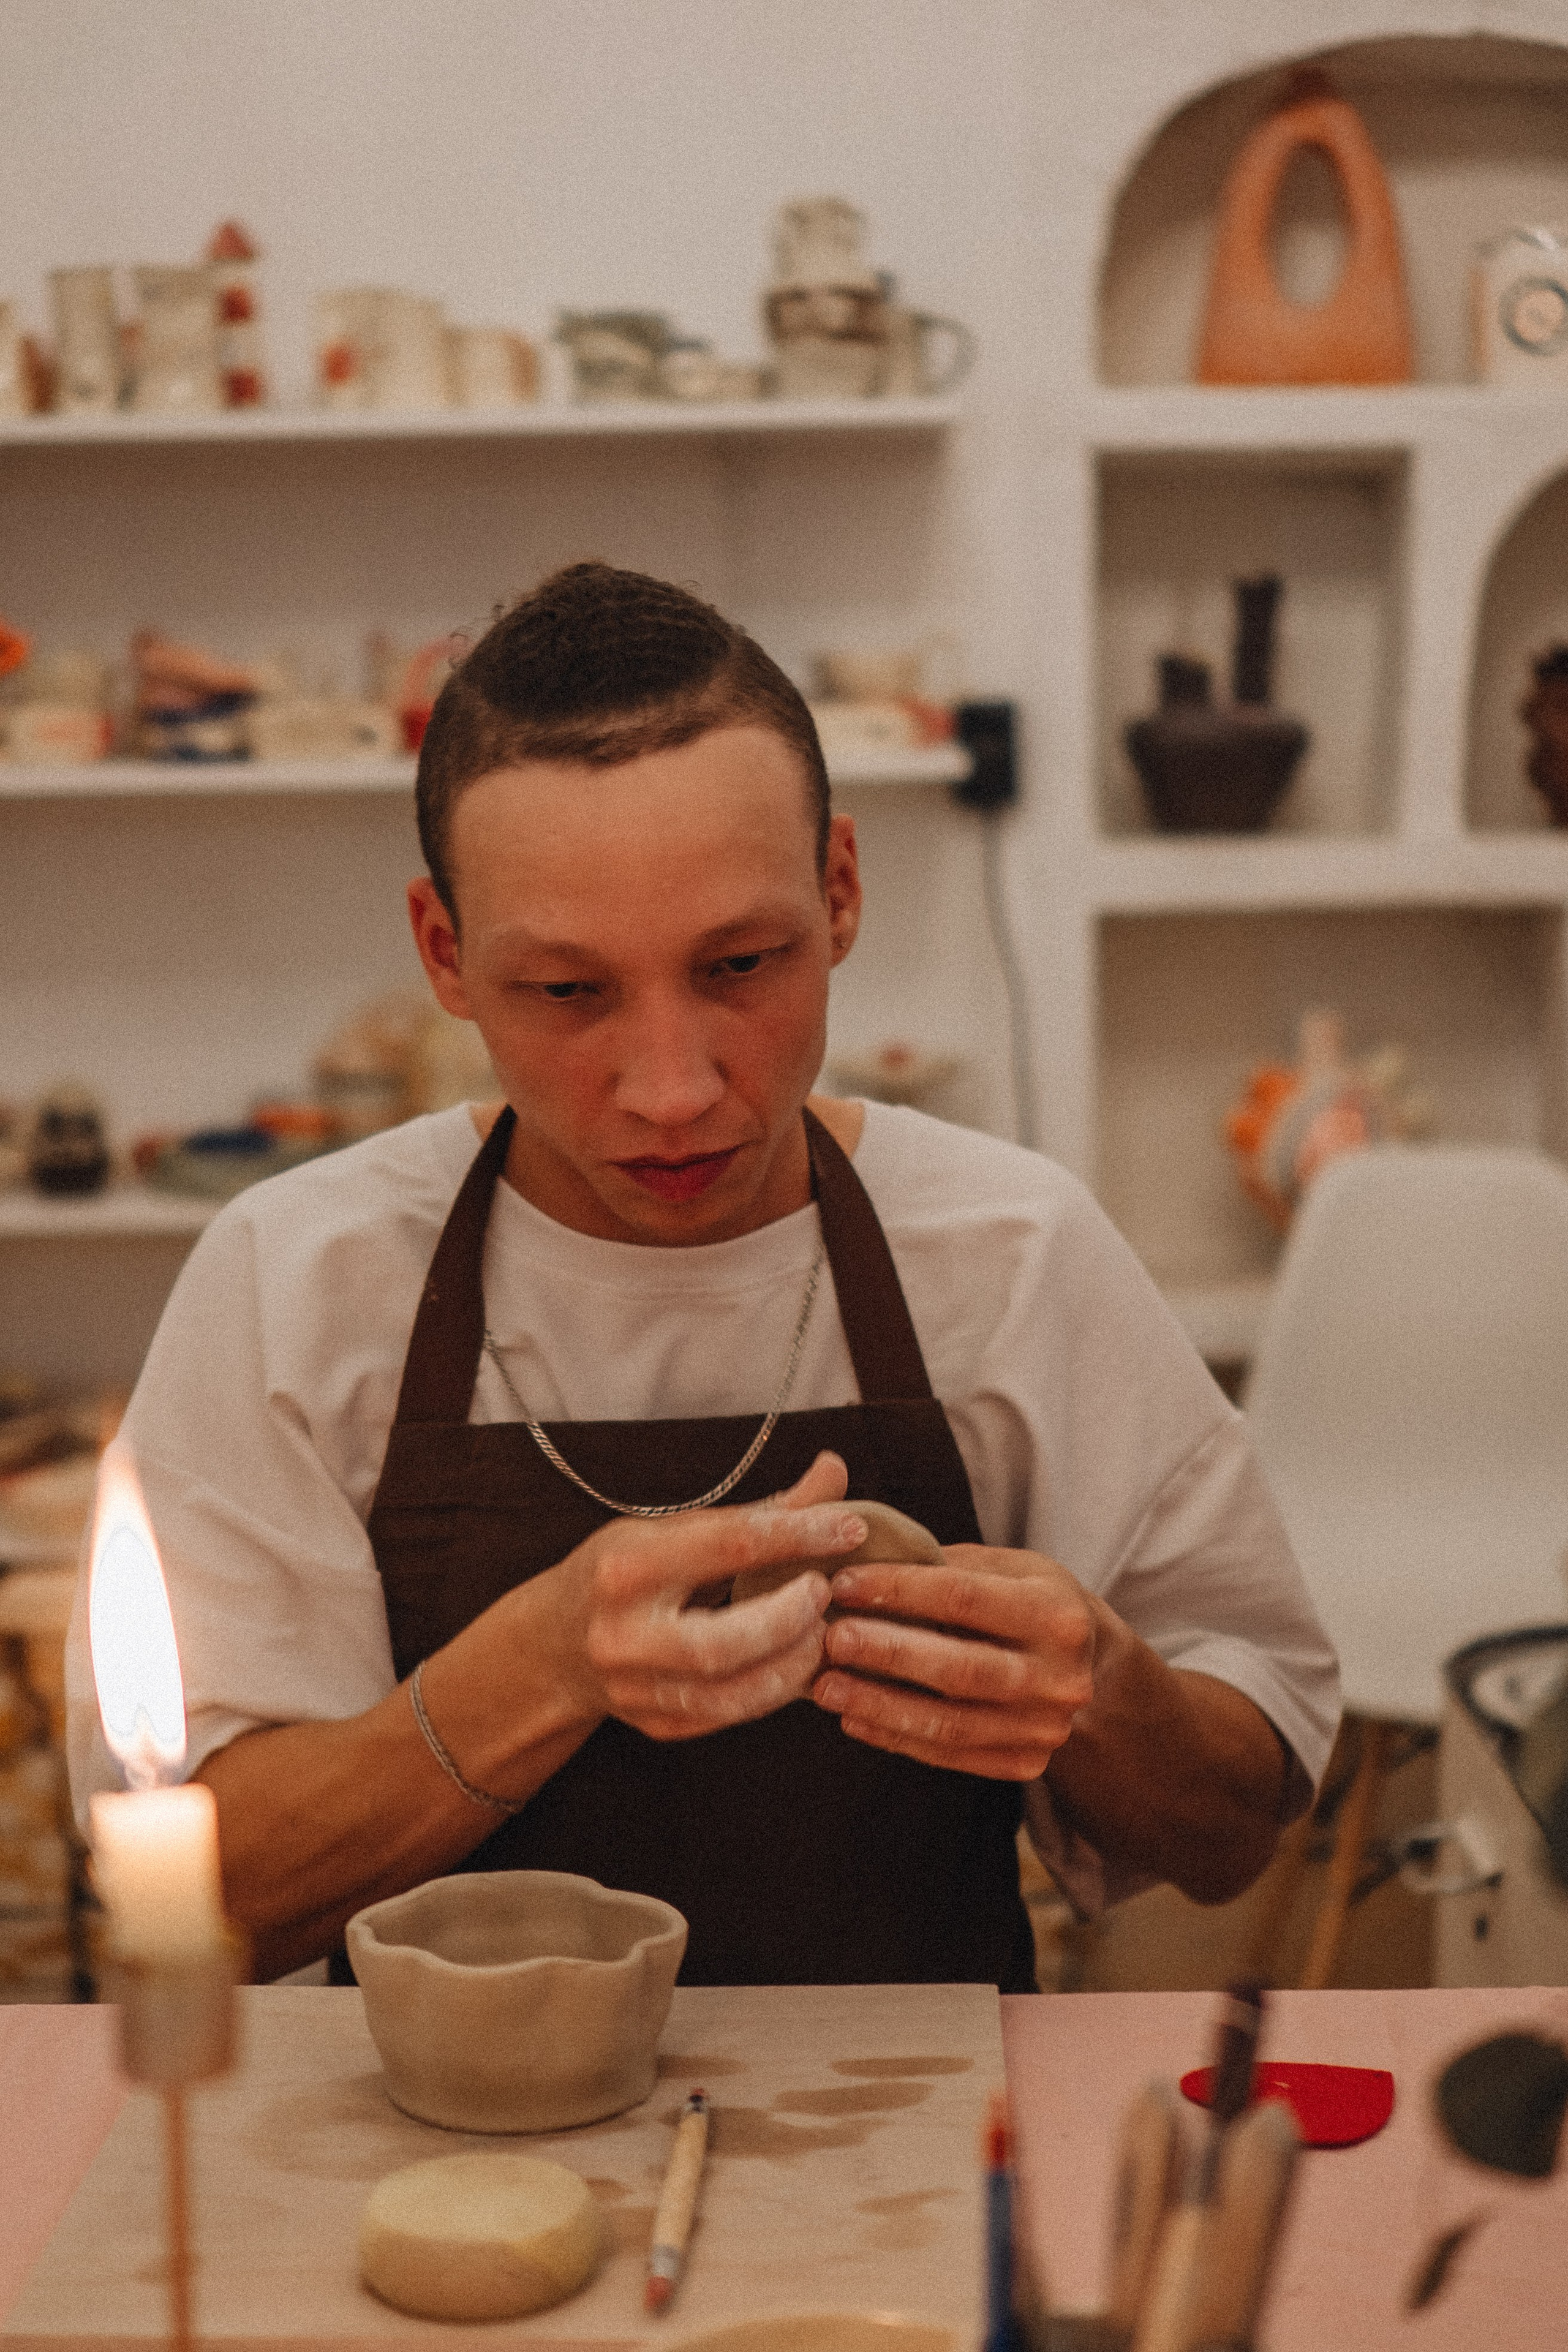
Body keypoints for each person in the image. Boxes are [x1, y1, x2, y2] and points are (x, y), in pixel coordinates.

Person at [67, 564, 1339, 1989]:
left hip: (909, 2144)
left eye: (739, 964)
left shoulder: (1009, 1253)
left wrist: (1100, 1694)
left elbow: (1236, 1825)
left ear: (839, 892)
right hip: (419, 2174)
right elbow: (196, 1893)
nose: (671, 1092)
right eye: (567, 993)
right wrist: (545, 1664)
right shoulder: (296, 1282)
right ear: (445, 954)